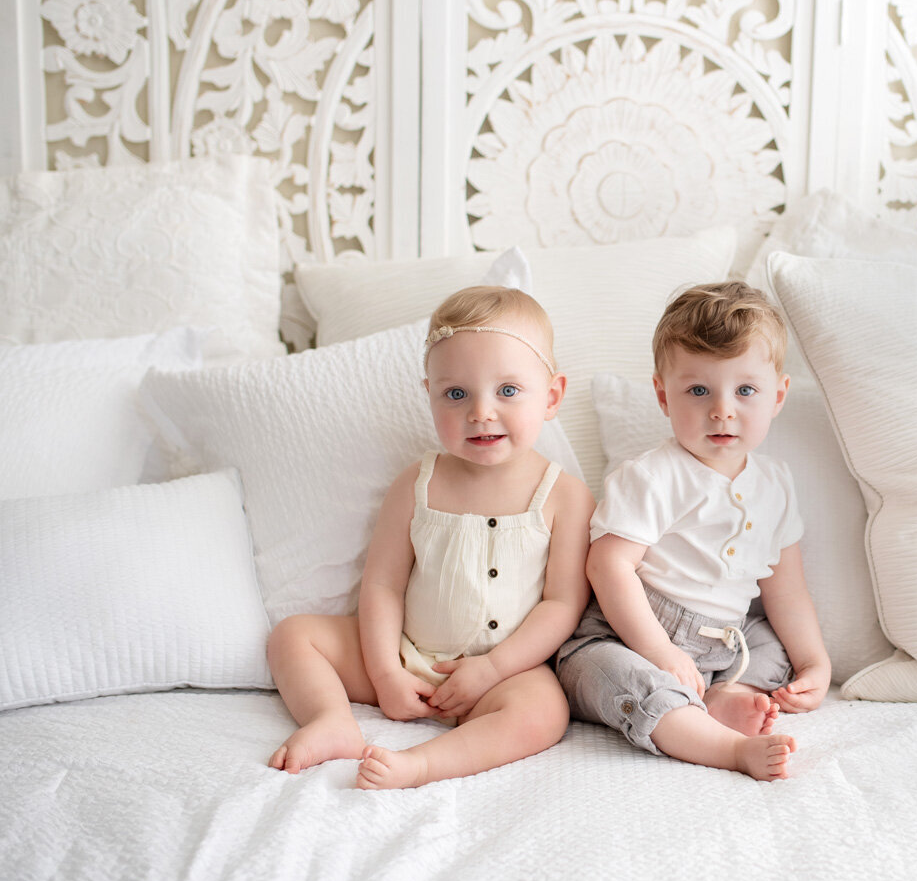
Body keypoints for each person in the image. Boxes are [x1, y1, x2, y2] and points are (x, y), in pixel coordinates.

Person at [268, 285, 593, 790]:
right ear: (430, 394)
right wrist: (385, 674)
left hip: (500, 672)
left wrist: (491, 670)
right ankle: (331, 720)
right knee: (293, 636)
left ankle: (424, 763)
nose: (481, 412)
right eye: (456, 394)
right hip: (403, 655)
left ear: (551, 397)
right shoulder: (417, 483)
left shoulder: (565, 496)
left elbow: (562, 605)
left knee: (544, 712)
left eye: (507, 391)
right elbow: (381, 586)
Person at [556, 281, 830, 781]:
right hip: (626, 631)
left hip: (724, 640)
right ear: (663, 394)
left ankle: (726, 694)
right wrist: (659, 652)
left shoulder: (776, 484)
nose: (722, 410)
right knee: (626, 679)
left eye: (745, 391)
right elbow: (608, 565)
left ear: (778, 395)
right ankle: (725, 748)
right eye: (698, 390)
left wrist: (815, 663)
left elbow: (786, 589)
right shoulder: (654, 475)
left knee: (774, 644)